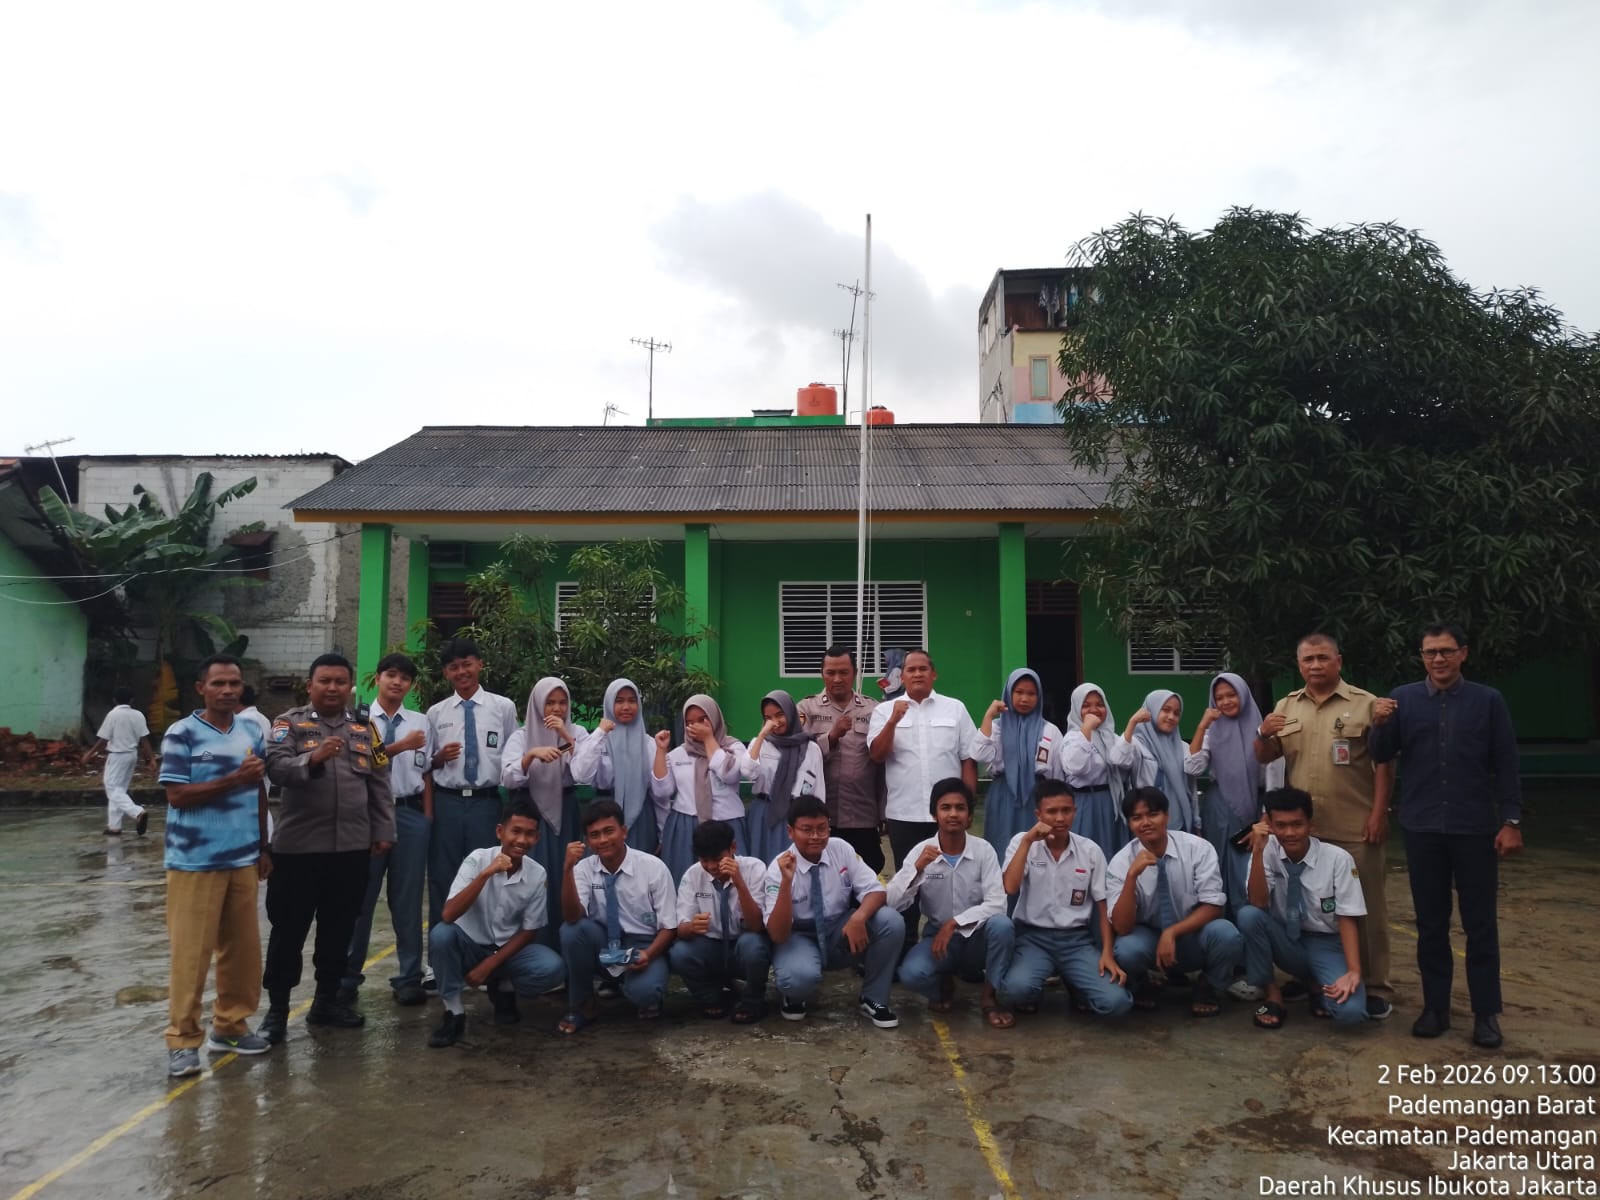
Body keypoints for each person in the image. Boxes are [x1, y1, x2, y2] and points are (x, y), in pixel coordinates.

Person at [1369, 622, 1522, 1049]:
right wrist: (1378, 725)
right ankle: (1435, 1008)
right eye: (1430, 652)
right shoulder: (1402, 700)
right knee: (1431, 923)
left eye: (1446, 651)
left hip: (1474, 827)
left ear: (1463, 654)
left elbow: (1506, 763)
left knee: (1480, 924)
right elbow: (1381, 754)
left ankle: (1486, 1013)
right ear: (1422, 656)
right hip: (1422, 827)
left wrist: (1511, 821)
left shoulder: (1488, 701)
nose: (1438, 659)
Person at [1255, 633, 1394, 1019]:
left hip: (1354, 825)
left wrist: (1379, 814)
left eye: (1322, 658)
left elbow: (1384, 764)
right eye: (1308, 659)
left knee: (1366, 908)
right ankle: (1312, 976)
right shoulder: (1287, 706)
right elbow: (1266, 756)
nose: (1315, 665)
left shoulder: (1367, 705)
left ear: (1338, 661)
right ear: (1299, 665)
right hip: (1301, 831)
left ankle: (1375, 985)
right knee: (1300, 903)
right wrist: (1262, 733)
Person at [260, 654, 395, 1045]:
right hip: (299, 851)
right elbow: (276, 769)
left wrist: (383, 830)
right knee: (288, 932)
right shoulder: (288, 723)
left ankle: (326, 1003)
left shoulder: (365, 727)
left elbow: (380, 781)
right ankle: (277, 1011)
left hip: (351, 849)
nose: (333, 688)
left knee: (339, 930)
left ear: (350, 686)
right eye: (325, 681)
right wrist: (313, 758)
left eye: (340, 682)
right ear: (310, 685)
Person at [156, 655, 272, 1077]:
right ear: (200, 688)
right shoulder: (181, 733)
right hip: (194, 861)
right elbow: (177, 796)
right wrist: (232, 779)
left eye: (234, 684)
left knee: (242, 954)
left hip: (242, 857)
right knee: (191, 955)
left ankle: (231, 1027)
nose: (227, 690)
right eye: (219, 683)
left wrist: (264, 846)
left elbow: (258, 789)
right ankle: (182, 1039)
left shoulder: (250, 731)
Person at [426, 798, 566, 1047]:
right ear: (500, 831)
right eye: (516, 831)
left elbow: (529, 931)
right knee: (441, 935)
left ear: (537, 838)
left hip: (505, 951)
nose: (522, 840)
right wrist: (485, 875)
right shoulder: (477, 859)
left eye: (529, 834)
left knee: (552, 967)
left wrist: (488, 966)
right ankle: (454, 1012)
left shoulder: (537, 874)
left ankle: (502, 987)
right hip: (469, 946)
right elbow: (448, 914)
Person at [867, 648, 981, 951]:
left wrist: (967, 805)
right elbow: (877, 755)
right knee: (909, 883)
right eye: (911, 669)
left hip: (948, 817)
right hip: (904, 814)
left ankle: (958, 947)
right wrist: (893, 721)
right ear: (902, 676)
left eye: (923, 669)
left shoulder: (955, 709)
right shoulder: (885, 711)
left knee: (954, 882)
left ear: (934, 674)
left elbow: (968, 759)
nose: (917, 674)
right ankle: (906, 949)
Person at [340, 653, 433, 1009]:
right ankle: (348, 978)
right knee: (360, 900)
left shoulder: (421, 722)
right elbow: (356, 763)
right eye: (391, 675)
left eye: (404, 678)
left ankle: (409, 977)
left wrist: (426, 818)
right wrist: (400, 746)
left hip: (409, 814)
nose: (397, 682)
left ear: (411, 685)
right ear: (376, 678)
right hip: (367, 815)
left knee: (407, 901)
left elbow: (427, 772)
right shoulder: (357, 720)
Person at [763, 795, 904, 1028]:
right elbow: (778, 934)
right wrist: (787, 883)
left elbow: (876, 890)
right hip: (799, 934)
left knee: (891, 921)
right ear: (790, 832)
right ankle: (794, 994)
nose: (815, 836)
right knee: (798, 979)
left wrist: (859, 917)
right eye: (807, 830)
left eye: (822, 828)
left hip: (838, 928)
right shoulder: (778, 868)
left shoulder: (841, 849)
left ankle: (873, 997)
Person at [998, 779, 1132, 1019]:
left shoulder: (1090, 850)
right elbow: (1010, 886)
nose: (1060, 818)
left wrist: (1107, 953)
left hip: (1076, 941)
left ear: (1075, 811)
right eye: (1051, 812)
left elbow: (1103, 906)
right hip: (1033, 938)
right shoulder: (1022, 842)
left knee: (1116, 1003)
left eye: (1066, 810)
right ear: (1038, 814)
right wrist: (1028, 842)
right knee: (1016, 991)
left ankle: (1074, 981)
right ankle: (1037, 985)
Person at [887, 778, 1015, 1027]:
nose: (953, 814)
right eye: (945, 808)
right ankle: (942, 982)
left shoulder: (983, 850)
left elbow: (998, 903)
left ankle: (989, 997)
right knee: (911, 974)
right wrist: (916, 869)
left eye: (960, 808)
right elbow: (892, 901)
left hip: (977, 936)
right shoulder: (922, 851)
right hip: (939, 938)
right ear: (934, 814)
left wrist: (954, 923)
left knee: (1002, 926)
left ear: (969, 815)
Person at [1238, 787, 1370, 1029]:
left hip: (1326, 943)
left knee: (1351, 1013)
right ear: (1269, 825)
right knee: (1248, 916)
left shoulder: (1338, 859)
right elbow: (1258, 902)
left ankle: (1315, 986)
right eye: (1280, 825)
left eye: (1297, 824)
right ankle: (1272, 995)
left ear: (1310, 824)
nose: (1289, 833)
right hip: (1286, 940)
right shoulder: (1267, 850)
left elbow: (1347, 917)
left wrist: (1353, 971)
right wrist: (1257, 851)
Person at [1106, 787, 1242, 1016]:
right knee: (1127, 949)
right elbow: (1122, 926)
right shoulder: (1121, 861)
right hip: (1149, 937)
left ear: (1167, 816)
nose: (1146, 823)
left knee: (1226, 934)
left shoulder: (1198, 848)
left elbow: (1213, 907)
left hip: (1191, 933)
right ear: (1129, 824)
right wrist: (1131, 877)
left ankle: (1208, 985)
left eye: (1153, 814)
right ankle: (1143, 984)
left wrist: (1172, 933)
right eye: (1137, 818)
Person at [557, 799, 677, 1033]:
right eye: (594, 835)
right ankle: (583, 1004)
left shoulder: (653, 867)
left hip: (643, 946)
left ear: (624, 831)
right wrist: (568, 869)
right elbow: (572, 916)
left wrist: (648, 954)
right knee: (572, 931)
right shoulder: (583, 868)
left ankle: (641, 990)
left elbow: (669, 927)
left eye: (609, 831)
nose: (603, 840)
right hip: (604, 943)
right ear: (587, 841)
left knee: (645, 993)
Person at [426, 639, 520, 930]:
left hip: (486, 802)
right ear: (446, 673)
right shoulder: (436, 713)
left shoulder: (502, 707)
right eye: (453, 667)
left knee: (488, 870)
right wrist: (439, 758)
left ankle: (485, 940)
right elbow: (426, 764)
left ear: (480, 664)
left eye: (467, 664)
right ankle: (442, 943)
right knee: (443, 872)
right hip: (447, 802)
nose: (461, 672)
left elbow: (513, 755)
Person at [502, 675, 588, 949]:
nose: (557, 709)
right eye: (550, 702)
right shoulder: (521, 736)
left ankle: (568, 949)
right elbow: (507, 778)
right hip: (531, 817)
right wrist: (530, 756)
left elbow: (587, 772)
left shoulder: (579, 732)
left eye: (562, 702)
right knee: (534, 879)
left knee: (566, 875)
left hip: (567, 812)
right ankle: (534, 948)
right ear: (538, 704)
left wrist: (566, 736)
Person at [666, 819, 771, 1024]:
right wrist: (692, 926)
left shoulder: (755, 868)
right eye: (705, 860)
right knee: (679, 953)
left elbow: (756, 925)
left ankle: (753, 1001)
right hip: (711, 945)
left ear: (733, 847)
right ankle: (711, 998)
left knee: (754, 946)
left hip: (742, 944)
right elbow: (681, 929)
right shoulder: (693, 874)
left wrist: (739, 882)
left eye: (717, 859)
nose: (711, 866)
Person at [796, 646, 885, 872]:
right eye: (831, 672)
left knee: (867, 873)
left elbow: (884, 765)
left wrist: (884, 811)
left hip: (862, 815)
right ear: (822, 674)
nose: (837, 679)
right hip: (819, 817)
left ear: (854, 673)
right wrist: (831, 737)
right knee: (822, 874)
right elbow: (798, 756)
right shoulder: (806, 709)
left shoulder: (874, 709)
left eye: (844, 672)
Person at [1186, 672, 1265, 922]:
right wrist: (1202, 725)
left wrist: (1265, 816)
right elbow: (1193, 768)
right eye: (1219, 698)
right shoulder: (1212, 732)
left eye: (1231, 695)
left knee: (1248, 869)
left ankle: (1249, 928)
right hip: (1220, 808)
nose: (1225, 701)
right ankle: (1222, 929)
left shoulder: (1262, 731)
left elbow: (1271, 776)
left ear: (1243, 695)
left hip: (1255, 809)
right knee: (1218, 867)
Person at [650, 695, 747, 882]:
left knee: (731, 879)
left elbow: (729, 773)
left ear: (714, 718)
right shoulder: (679, 754)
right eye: (690, 722)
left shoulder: (733, 748)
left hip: (726, 823)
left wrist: (709, 739)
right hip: (687, 825)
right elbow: (662, 791)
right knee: (689, 880)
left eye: (703, 720)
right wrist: (661, 751)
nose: (696, 726)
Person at [970, 668, 1063, 862]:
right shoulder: (996, 727)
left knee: (1037, 851)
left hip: (1038, 796)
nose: (1024, 699)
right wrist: (988, 716)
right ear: (1008, 693)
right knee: (1000, 845)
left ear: (1039, 697)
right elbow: (978, 754)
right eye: (1018, 692)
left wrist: (1055, 804)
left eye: (1031, 693)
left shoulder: (1050, 730)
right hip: (1003, 794)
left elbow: (1057, 773)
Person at [570, 677, 658, 853]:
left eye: (632, 701)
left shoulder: (649, 744)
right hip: (603, 813)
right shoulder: (597, 740)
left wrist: (661, 831)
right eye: (619, 701)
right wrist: (600, 732)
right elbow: (581, 775)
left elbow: (658, 793)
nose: (626, 707)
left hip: (640, 816)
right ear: (609, 704)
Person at [740, 689, 825, 868]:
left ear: (790, 712)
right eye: (768, 718)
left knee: (794, 866)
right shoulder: (761, 744)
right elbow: (748, 771)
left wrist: (817, 823)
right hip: (765, 813)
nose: (775, 722)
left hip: (798, 815)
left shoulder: (811, 748)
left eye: (780, 715)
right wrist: (762, 736)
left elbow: (818, 791)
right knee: (762, 864)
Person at [1056, 683, 1136, 862]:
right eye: (1086, 705)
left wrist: (1131, 727)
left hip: (1113, 802)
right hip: (1087, 803)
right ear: (1077, 709)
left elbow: (1125, 763)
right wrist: (1086, 729)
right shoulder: (1072, 738)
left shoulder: (1113, 738)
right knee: (1087, 856)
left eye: (1100, 704)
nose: (1094, 710)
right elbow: (1075, 766)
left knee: (1115, 855)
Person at [85, 685, 156, 836]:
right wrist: (152, 759)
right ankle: (114, 826)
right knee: (119, 790)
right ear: (132, 700)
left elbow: (103, 739)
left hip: (117, 755)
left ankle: (137, 812)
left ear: (114, 700)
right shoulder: (138, 715)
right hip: (132, 755)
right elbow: (144, 739)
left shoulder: (113, 715)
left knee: (111, 787)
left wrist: (90, 753)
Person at [1128, 690, 1201, 835]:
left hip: (1180, 821)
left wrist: (1196, 821)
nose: (1171, 717)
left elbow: (1191, 788)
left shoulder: (1182, 747)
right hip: (1147, 823)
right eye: (1166, 710)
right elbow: (1118, 760)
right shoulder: (1136, 744)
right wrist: (1132, 723)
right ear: (1151, 711)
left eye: (1176, 713)